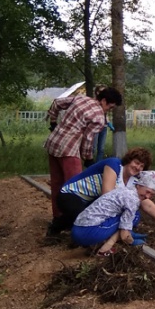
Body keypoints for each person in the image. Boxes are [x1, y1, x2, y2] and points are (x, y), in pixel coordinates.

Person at [45, 86, 122, 233]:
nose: (108, 110)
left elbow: (56, 103)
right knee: (75, 190)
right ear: (104, 100)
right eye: (110, 107)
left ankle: (57, 217)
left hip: (53, 143)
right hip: (69, 150)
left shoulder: (81, 98)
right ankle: (73, 225)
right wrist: (88, 159)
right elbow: (88, 140)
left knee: (57, 184)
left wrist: (54, 123)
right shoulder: (99, 117)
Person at [48, 147, 155, 236]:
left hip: (89, 200)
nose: (138, 167)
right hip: (70, 194)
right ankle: (60, 227)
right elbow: (107, 195)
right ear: (129, 160)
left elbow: (145, 201)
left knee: (91, 216)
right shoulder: (114, 165)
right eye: (136, 162)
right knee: (85, 217)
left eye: (142, 166)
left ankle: (68, 227)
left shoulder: (134, 181)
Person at [72, 170, 155, 256]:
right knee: (133, 217)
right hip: (87, 233)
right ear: (139, 185)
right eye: (147, 192)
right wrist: (132, 242)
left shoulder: (127, 190)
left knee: (133, 215)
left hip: (78, 227)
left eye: (151, 194)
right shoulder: (133, 199)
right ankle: (104, 249)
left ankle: (119, 235)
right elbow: (124, 235)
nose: (148, 196)